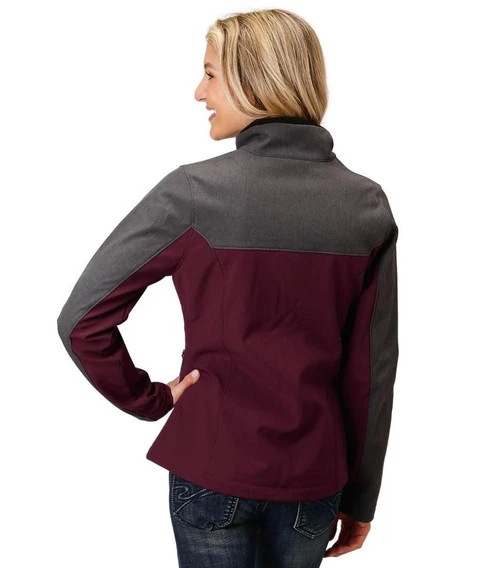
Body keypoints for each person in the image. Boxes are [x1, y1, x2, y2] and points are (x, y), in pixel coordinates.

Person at [57, 8, 399, 568]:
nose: (199, 91)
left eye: (211, 73)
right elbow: (372, 371)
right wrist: (362, 496)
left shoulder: (193, 192)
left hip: (212, 467)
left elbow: (81, 321)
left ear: (254, 80)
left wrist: (149, 399)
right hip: (314, 481)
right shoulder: (367, 205)